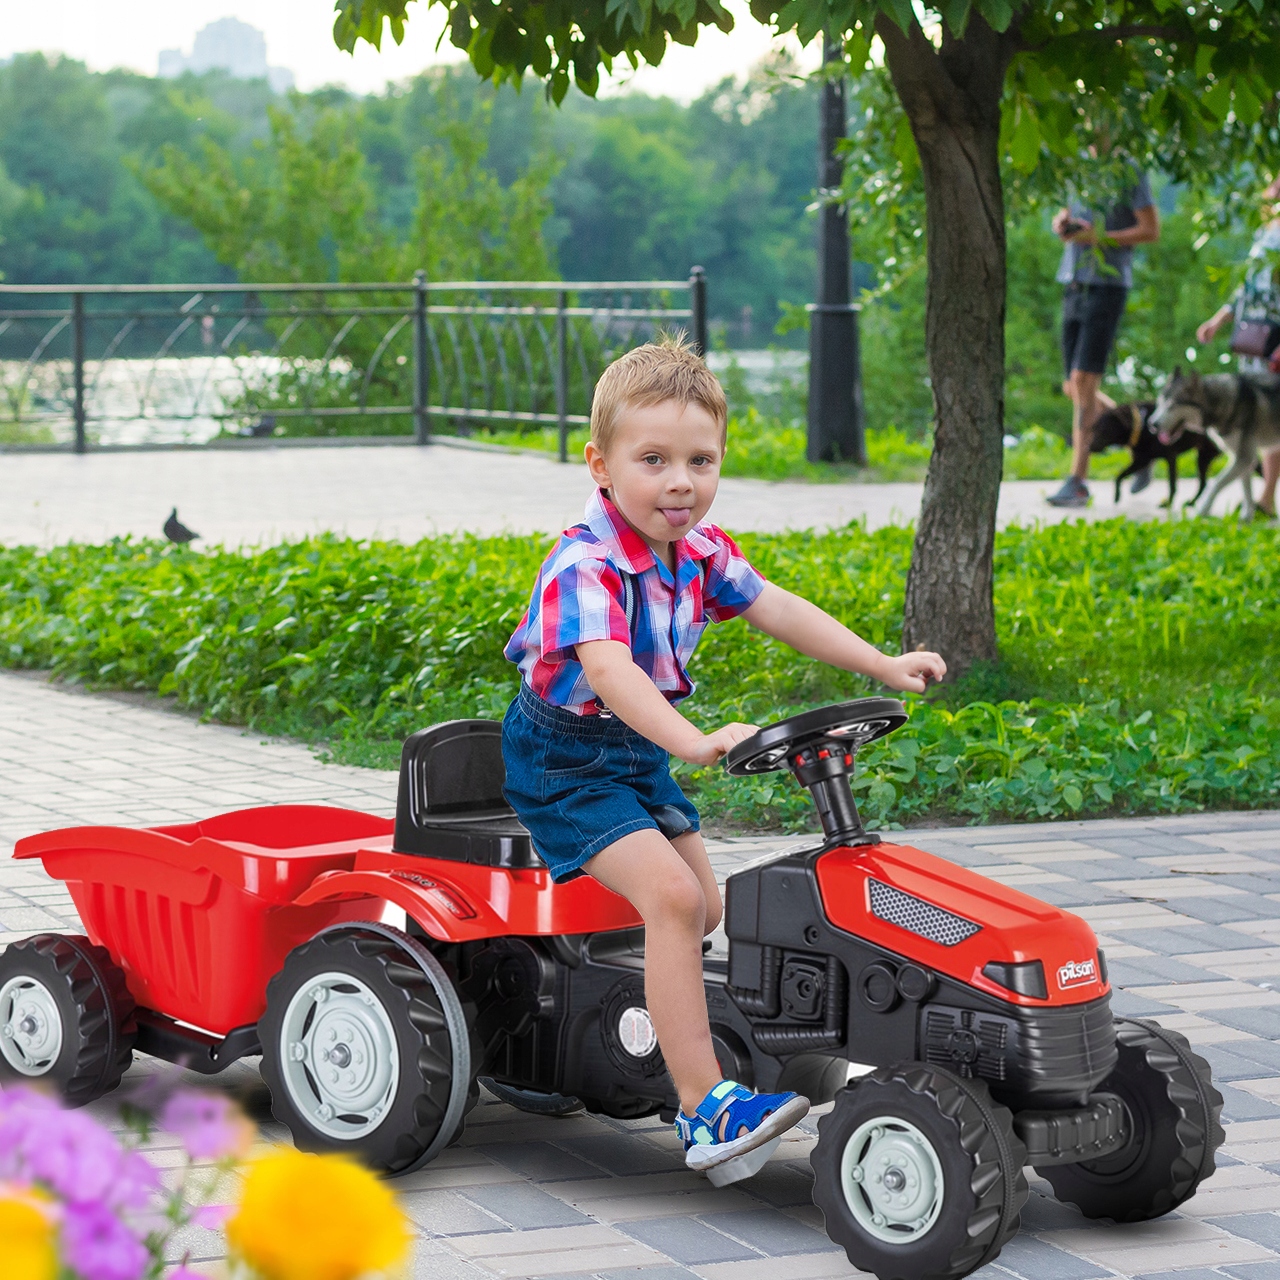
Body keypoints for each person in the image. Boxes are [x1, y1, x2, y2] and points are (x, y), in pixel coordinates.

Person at [501, 337, 946, 1179]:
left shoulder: (698, 552)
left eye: (700, 460)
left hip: (636, 751)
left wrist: (884, 666)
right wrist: (693, 742)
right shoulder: (583, 564)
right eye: (654, 459)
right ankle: (704, 1108)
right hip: (564, 759)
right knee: (672, 902)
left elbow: (779, 607)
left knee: (705, 910)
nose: (681, 482)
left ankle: (632, 1017)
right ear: (601, 466)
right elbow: (610, 670)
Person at [1046, 165, 1161, 507]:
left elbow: (1150, 230)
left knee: (1084, 381)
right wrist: (1062, 222)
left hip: (1107, 285)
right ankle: (1145, 442)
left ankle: (1078, 479)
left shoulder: (1130, 171)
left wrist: (1099, 237)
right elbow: (1070, 213)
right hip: (1073, 281)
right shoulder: (1077, 163)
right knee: (1074, 387)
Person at [1195, 175, 1280, 519]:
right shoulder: (1264, 234)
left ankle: (1265, 496)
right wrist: (1219, 320)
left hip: (1276, 340)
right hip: (1255, 339)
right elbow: (1248, 287)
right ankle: (1261, 501)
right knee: (1262, 417)